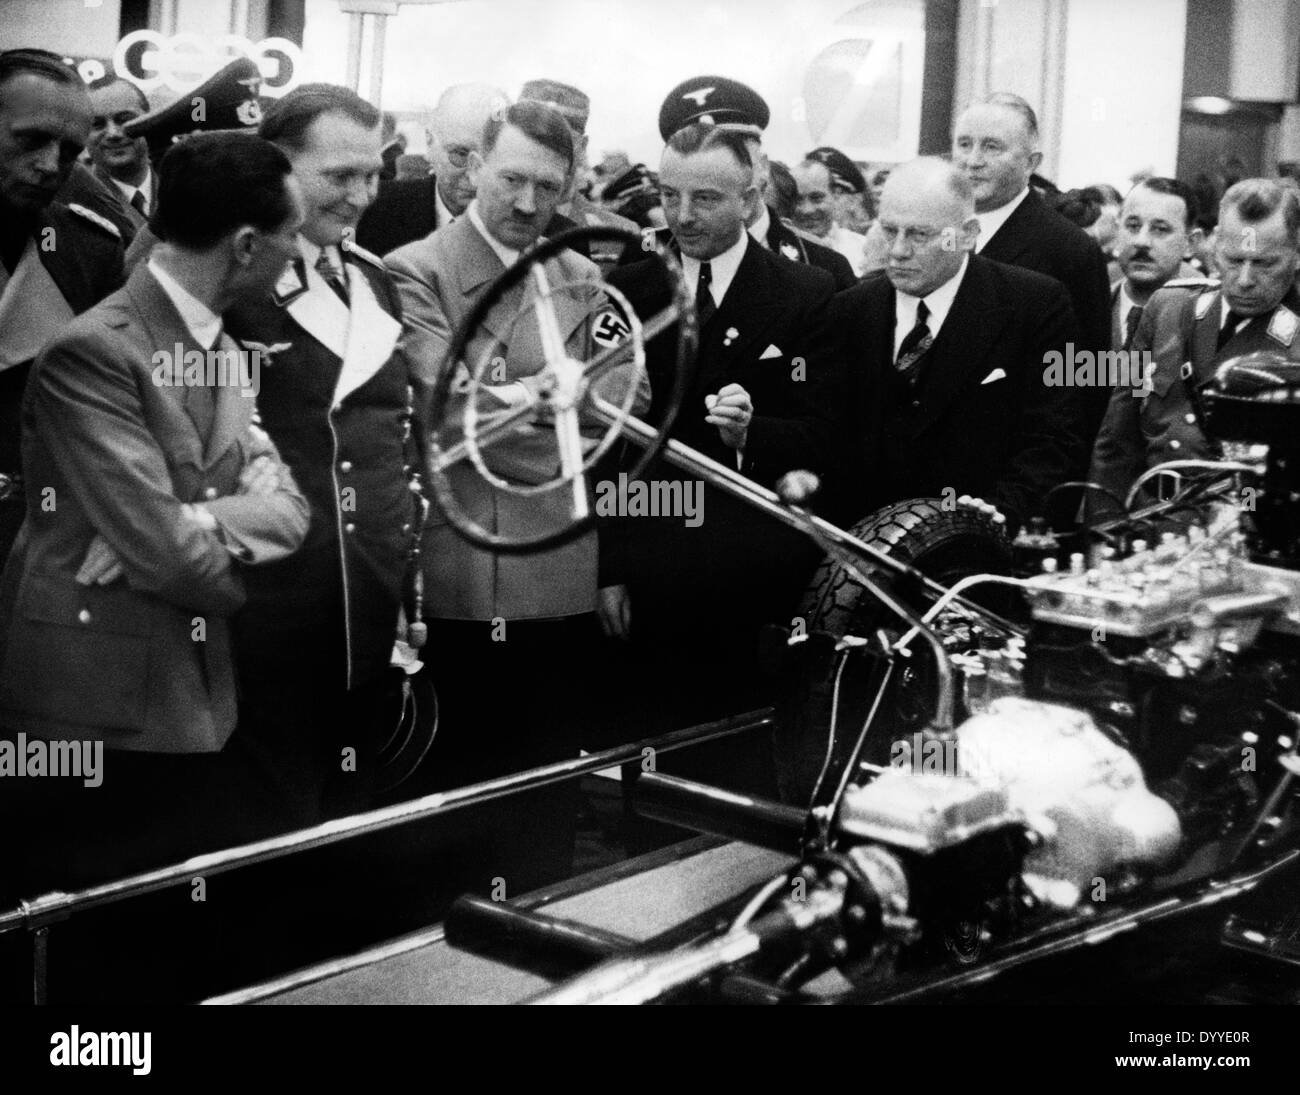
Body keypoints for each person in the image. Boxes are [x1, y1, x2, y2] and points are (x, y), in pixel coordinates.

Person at [0, 130, 310, 899]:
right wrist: (232, 543)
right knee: (94, 938)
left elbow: (292, 508)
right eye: (291, 234)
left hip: (188, 696)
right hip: (97, 713)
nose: (297, 255)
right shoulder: (94, 351)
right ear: (246, 245)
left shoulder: (220, 345)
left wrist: (198, 521)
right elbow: (170, 554)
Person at [386, 99, 648, 899]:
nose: (529, 203)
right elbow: (444, 410)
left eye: (548, 186)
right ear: (474, 168)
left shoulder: (582, 277)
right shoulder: (415, 270)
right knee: (463, 795)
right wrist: (548, 401)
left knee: (546, 792)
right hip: (466, 571)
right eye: (511, 180)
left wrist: (524, 405)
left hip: (561, 571)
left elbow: (630, 401)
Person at [602, 124, 846, 789]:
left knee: (742, 766)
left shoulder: (807, 292)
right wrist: (610, 567)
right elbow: (605, 445)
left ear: (751, 195)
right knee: (652, 761)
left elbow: (827, 433)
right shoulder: (628, 288)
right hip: (651, 568)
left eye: (705, 198)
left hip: (754, 575)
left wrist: (752, 435)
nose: (682, 216)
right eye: (669, 195)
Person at [223, 83, 421, 831]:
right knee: (266, 816)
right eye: (340, 175)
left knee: (351, 807)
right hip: (266, 604)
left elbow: (393, 437)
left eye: (373, 174)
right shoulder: (231, 278)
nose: (362, 196)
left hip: (365, 598)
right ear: (277, 167)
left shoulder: (372, 277)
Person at [830, 157, 1087, 531]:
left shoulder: (1036, 305)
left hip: (980, 541)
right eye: (888, 230)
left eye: (919, 235)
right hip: (863, 542)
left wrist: (994, 517)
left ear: (967, 234)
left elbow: (1055, 436)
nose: (898, 250)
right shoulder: (848, 311)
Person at [1089, 179, 1300, 520]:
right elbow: (1118, 440)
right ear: (1214, 246)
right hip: (1151, 522)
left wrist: (1243, 523)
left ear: (1296, 254)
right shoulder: (1168, 308)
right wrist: (1105, 529)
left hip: (1240, 525)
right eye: (1234, 260)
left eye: (1264, 264)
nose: (1244, 279)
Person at [0, 49, 125, 565]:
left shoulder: (89, 249)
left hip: (41, 540)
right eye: (31, 140)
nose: (51, 166)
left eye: (70, 151)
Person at [951, 92, 1111, 439]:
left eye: (991, 147)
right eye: (964, 144)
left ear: (1031, 162)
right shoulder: (938, 233)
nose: (973, 161)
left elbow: (1086, 374)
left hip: (1018, 449)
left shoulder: (1069, 249)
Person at [626, 75, 856, 289]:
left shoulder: (822, 265)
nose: (715, 172)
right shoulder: (644, 254)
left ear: (763, 166)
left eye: (734, 155)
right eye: (698, 158)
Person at [355, 83, 508, 255]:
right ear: (429, 143)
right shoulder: (370, 210)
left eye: (491, 158)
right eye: (461, 154)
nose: (476, 176)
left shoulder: (528, 229)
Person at [520, 77, 640, 271]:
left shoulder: (620, 235)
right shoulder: (482, 218)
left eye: (560, 140)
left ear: (582, 146)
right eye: (531, 138)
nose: (544, 151)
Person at [1109, 177, 1204, 350]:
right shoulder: (1087, 309)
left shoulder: (1204, 324)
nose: (1142, 241)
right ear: (1117, 231)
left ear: (1190, 243)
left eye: (1160, 229)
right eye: (1133, 226)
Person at [86, 74, 156, 230]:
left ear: (149, 118)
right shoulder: (75, 201)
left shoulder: (185, 185)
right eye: (97, 124)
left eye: (124, 119)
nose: (113, 134)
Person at [793, 154, 870, 276]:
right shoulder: (778, 250)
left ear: (834, 195)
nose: (807, 210)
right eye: (798, 200)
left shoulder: (863, 249)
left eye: (816, 198)